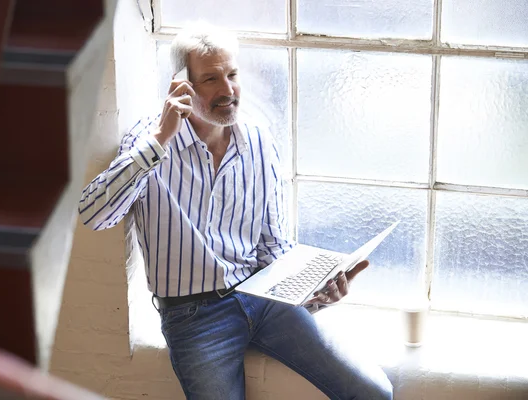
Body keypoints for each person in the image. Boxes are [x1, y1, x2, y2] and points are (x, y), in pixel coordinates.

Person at [78, 24, 393, 400]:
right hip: (193, 318)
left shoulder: (259, 141)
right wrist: (161, 138)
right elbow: (95, 214)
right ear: (182, 85)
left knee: (374, 392)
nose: (228, 90)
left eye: (232, 75)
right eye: (211, 79)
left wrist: (314, 293)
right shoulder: (151, 140)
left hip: (265, 301)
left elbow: (274, 248)